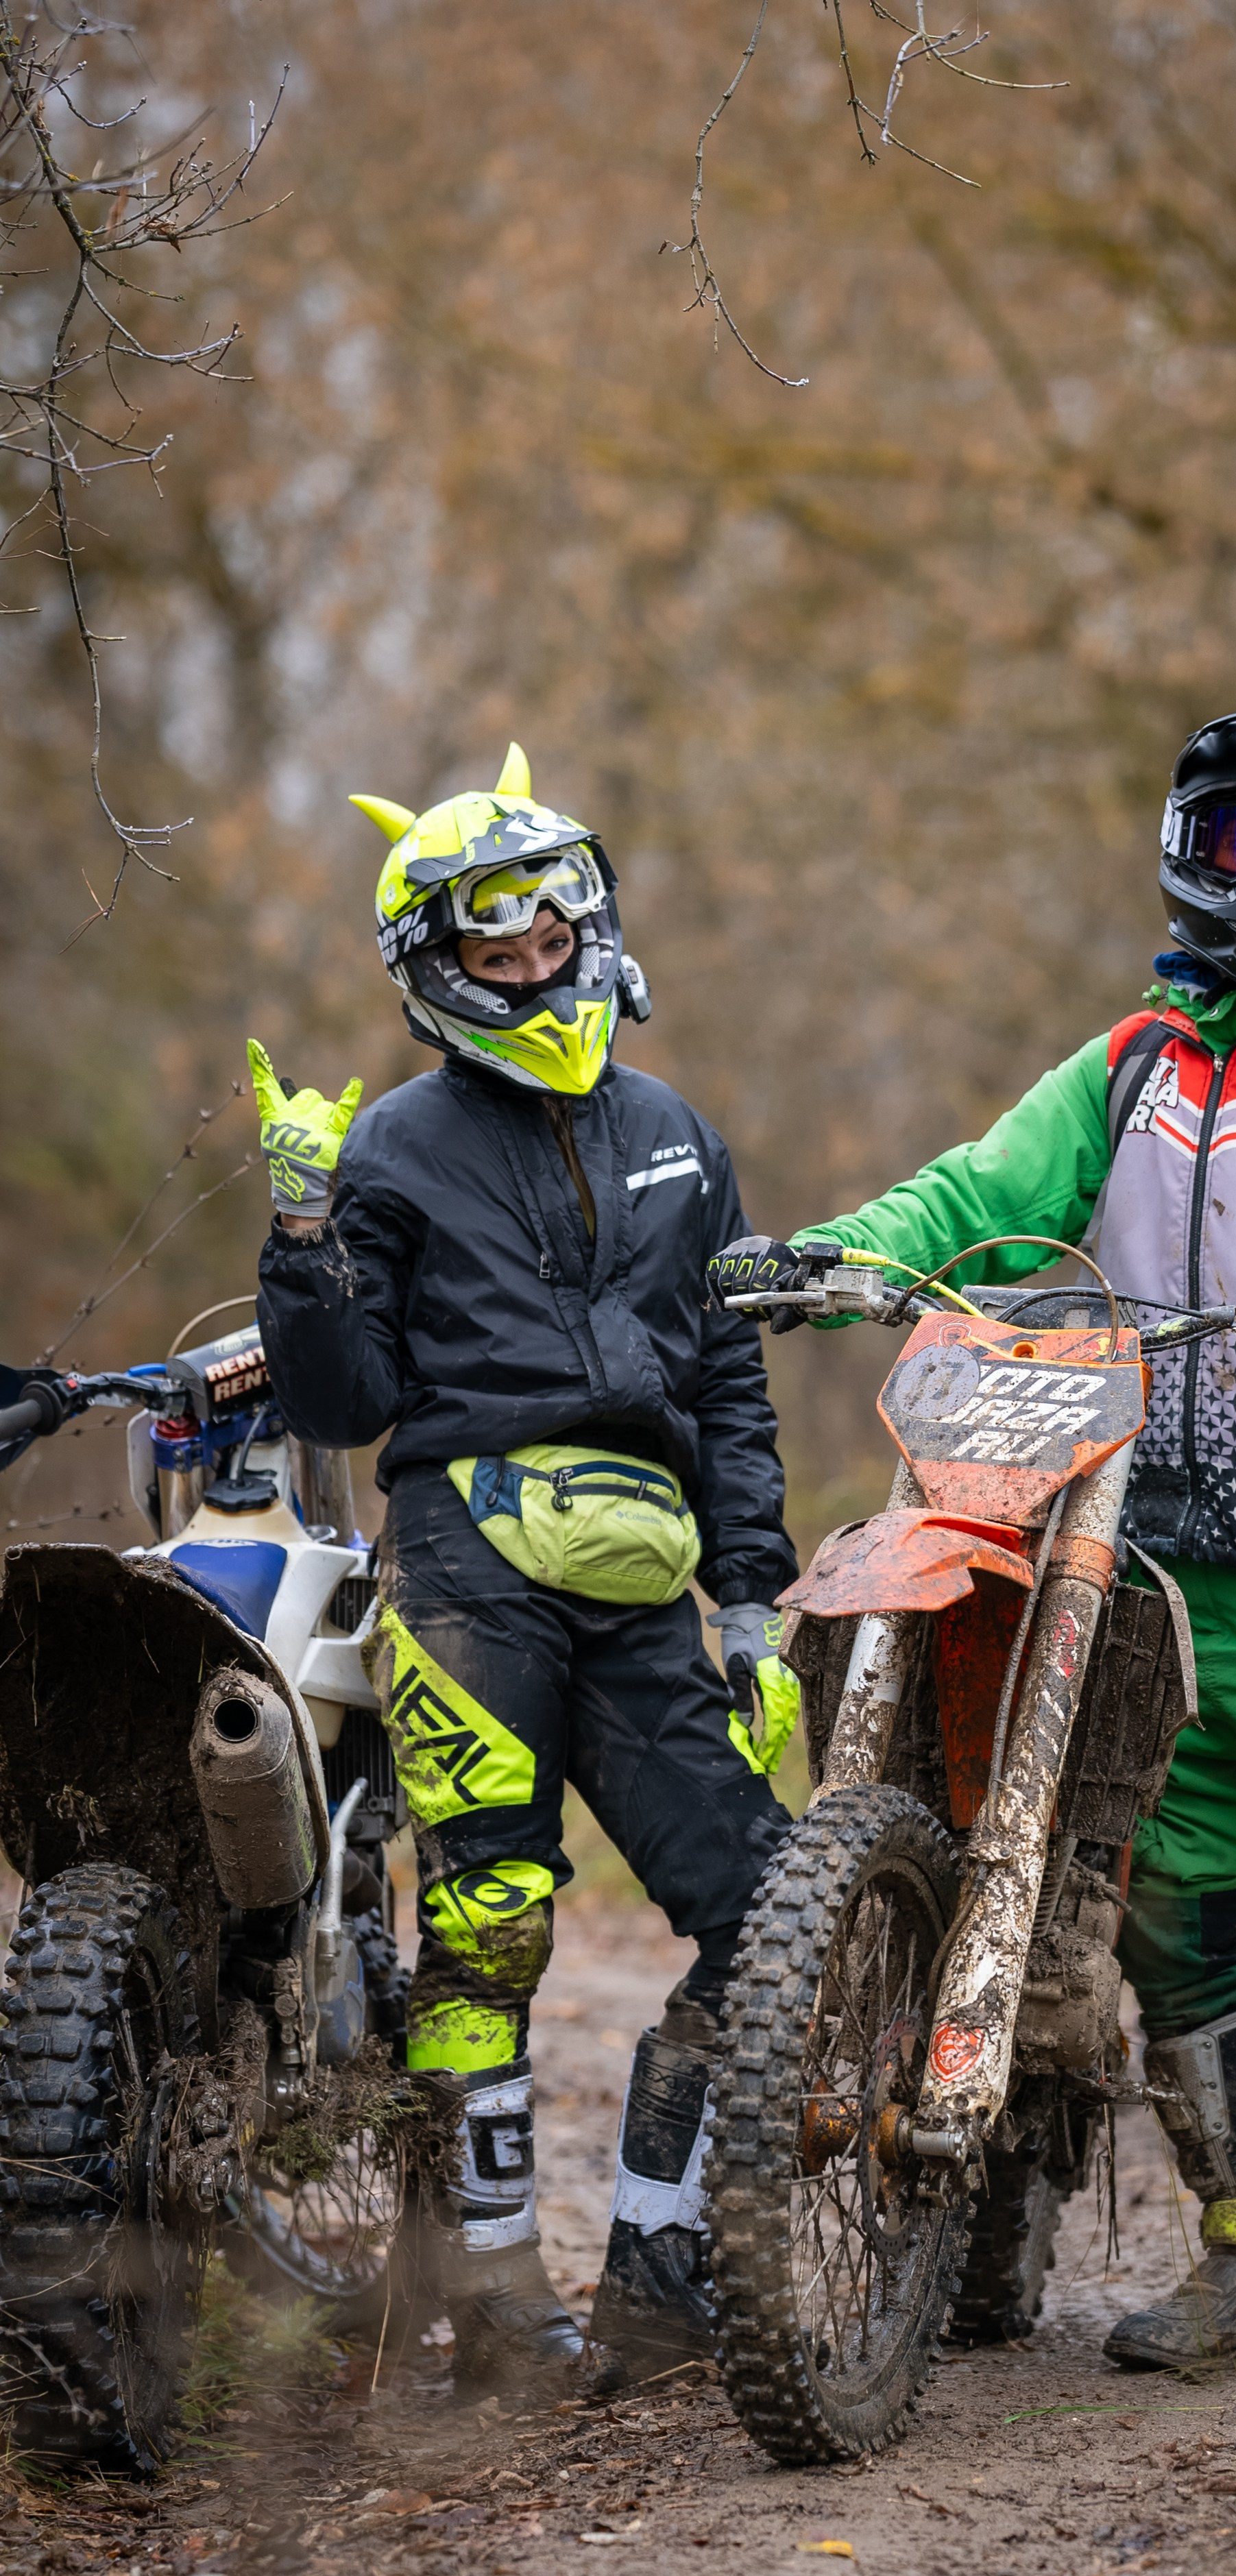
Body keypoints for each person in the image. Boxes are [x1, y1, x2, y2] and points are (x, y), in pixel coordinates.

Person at [710, 702, 1236, 2372]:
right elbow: (978, 1189)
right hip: (1149, 1579)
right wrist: (833, 1253)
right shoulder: (1131, 1066)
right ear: (1184, 847)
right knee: (1184, 1913)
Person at [249, 744, 801, 2401]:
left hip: (643, 1574)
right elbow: (342, 1401)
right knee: (485, 1924)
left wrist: (758, 1592)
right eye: (500, 951)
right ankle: (493, 2295)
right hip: (468, 1555)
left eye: (558, 933)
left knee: (769, 1913)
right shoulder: (398, 1148)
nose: (540, 965)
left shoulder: (677, 1134)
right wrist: (297, 1242)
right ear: (441, 967)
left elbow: (731, 1384)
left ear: (594, 922)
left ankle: (659, 2248)